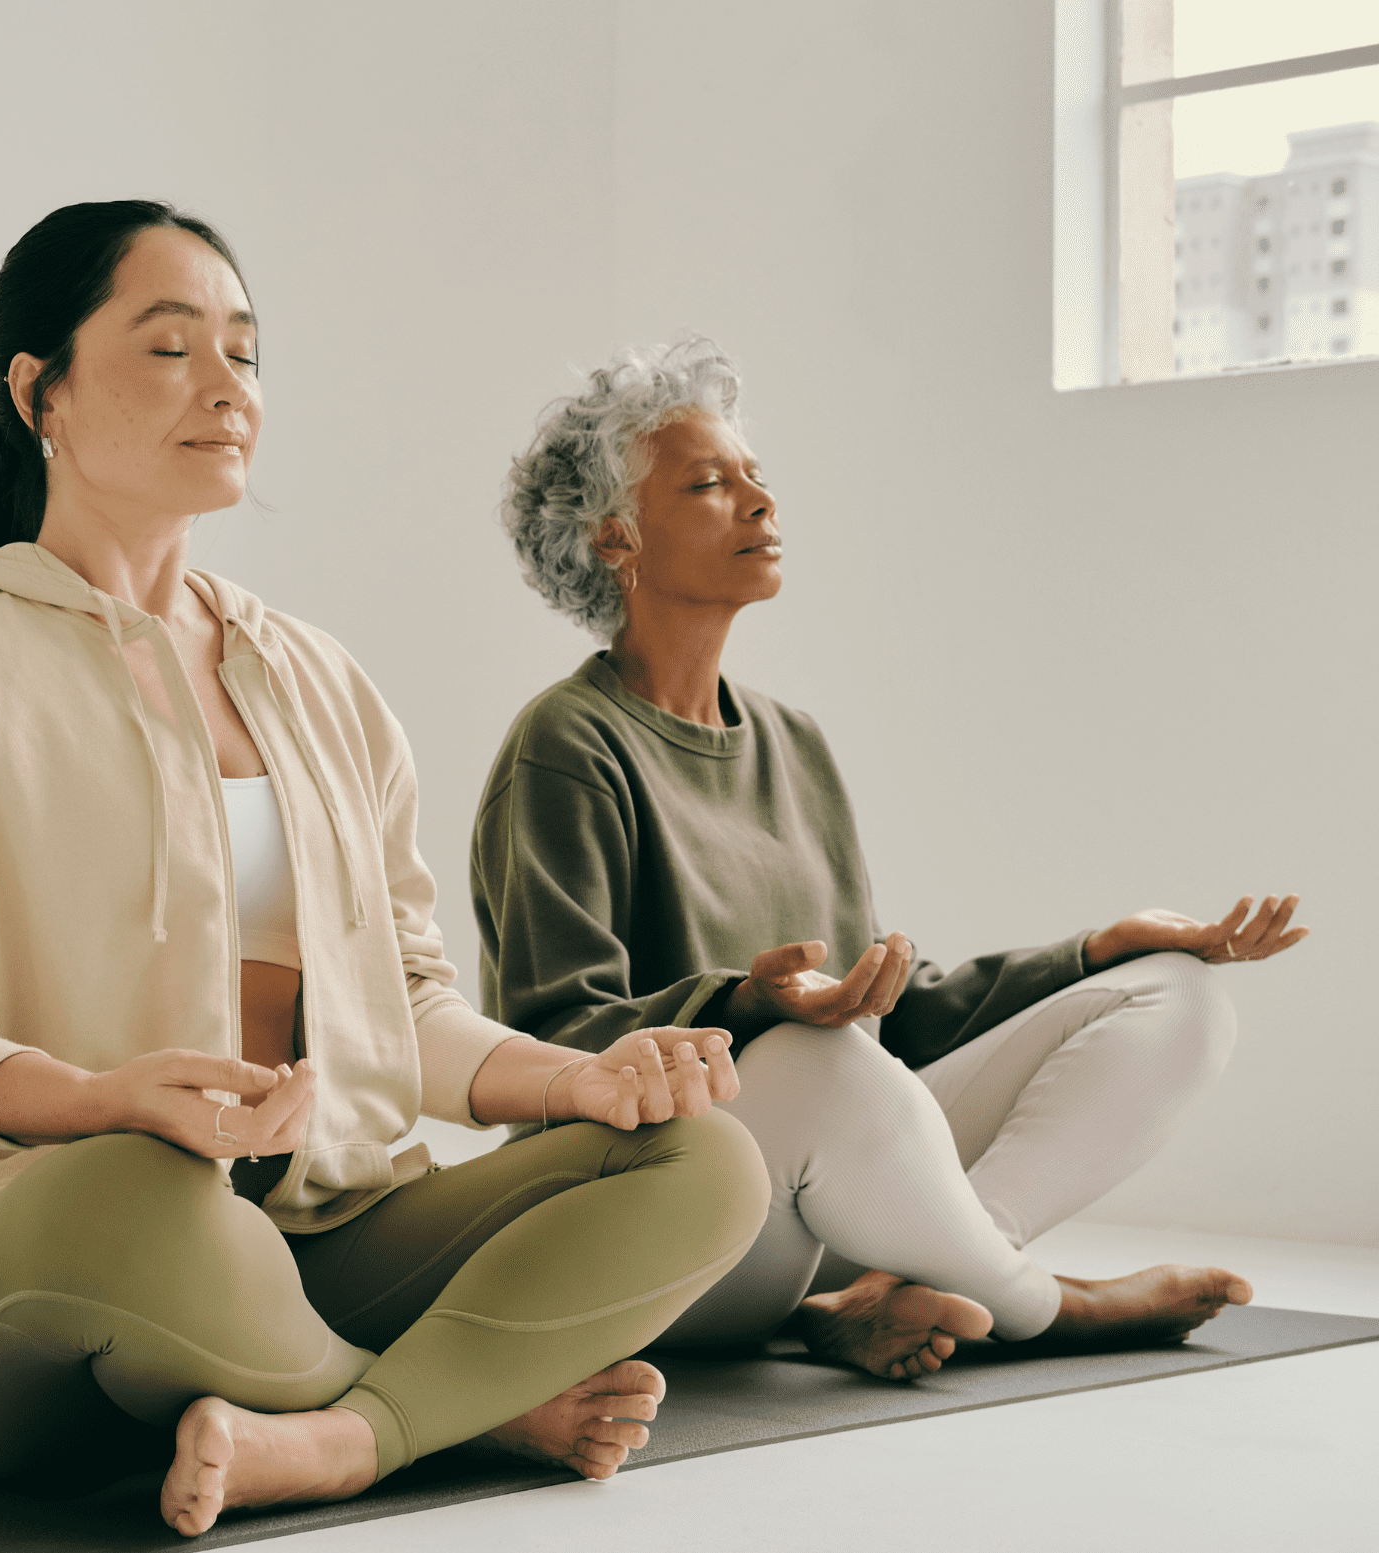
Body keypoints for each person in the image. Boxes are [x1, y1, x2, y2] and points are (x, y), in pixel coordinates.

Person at [0, 205, 772, 1538]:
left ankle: (331, 1437)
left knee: (699, 1157)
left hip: (313, 1240)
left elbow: (408, 1005)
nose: (224, 387)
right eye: (168, 346)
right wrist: (95, 1099)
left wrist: (580, 1080)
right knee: (154, 1193)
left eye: (245, 354)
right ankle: (454, 1411)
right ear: (41, 393)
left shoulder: (317, 680)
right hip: (23, 1276)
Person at [473, 336, 1308, 1381]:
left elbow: (891, 1008)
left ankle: (919, 1281)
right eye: (707, 483)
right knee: (819, 1059)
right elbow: (550, 1037)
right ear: (615, 541)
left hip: (840, 1178)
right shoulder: (564, 745)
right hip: (670, 1210)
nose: (759, 504)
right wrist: (747, 1005)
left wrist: (1097, 947)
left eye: (754, 477)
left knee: (1176, 996)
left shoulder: (795, 741)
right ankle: (1042, 1306)